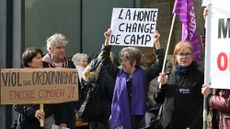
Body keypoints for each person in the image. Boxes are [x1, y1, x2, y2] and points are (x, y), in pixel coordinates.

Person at [101, 28, 164, 129]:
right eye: (121, 61)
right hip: (120, 118)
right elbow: (105, 61)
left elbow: (160, 63)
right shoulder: (118, 73)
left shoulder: (145, 74)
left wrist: (156, 42)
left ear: (134, 62)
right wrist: (107, 40)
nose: (122, 63)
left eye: (124, 61)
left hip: (139, 119)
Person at [13, 47, 67, 129]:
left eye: (41, 57)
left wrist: (62, 122)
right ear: (29, 62)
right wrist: (33, 112)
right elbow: (16, 104)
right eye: (38, 58)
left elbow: (56, 100)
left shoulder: (48, 76)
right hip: (28, 124)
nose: (41, 60)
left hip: (48, 122)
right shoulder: (21, 79)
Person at [156, 41, 203, 129]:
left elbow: (202, 106)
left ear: (193, 55)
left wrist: (193, 126)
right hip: (166, 125)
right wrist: (162, 85)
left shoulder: (199, 76)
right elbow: (158, 99)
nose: (184, 57)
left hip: (188, 126)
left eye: (187, 53)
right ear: (175, 56)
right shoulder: (169, 74)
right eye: (181, 54)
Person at [42, 33, 77, 129]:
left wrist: (75, 104)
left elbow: (77, 86)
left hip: (69, 112)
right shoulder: (42, 65)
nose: (62, 50)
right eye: (58, 48)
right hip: (50, 114)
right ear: (50, 49)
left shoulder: (70, 64)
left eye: (63, 47)